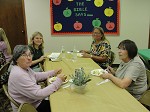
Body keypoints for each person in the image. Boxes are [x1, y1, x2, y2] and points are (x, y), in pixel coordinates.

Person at [8, 45, 67, 112]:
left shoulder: (23, 67)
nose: (29, 58)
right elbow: (39, 94)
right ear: (16, 59)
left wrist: (53, 72)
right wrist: (58, 81)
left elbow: (36, 75)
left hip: (33, 101)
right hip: (31, 108)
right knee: (60, 105)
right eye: (24, 55)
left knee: (58, 98)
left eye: (30, 55)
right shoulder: (19, 74)